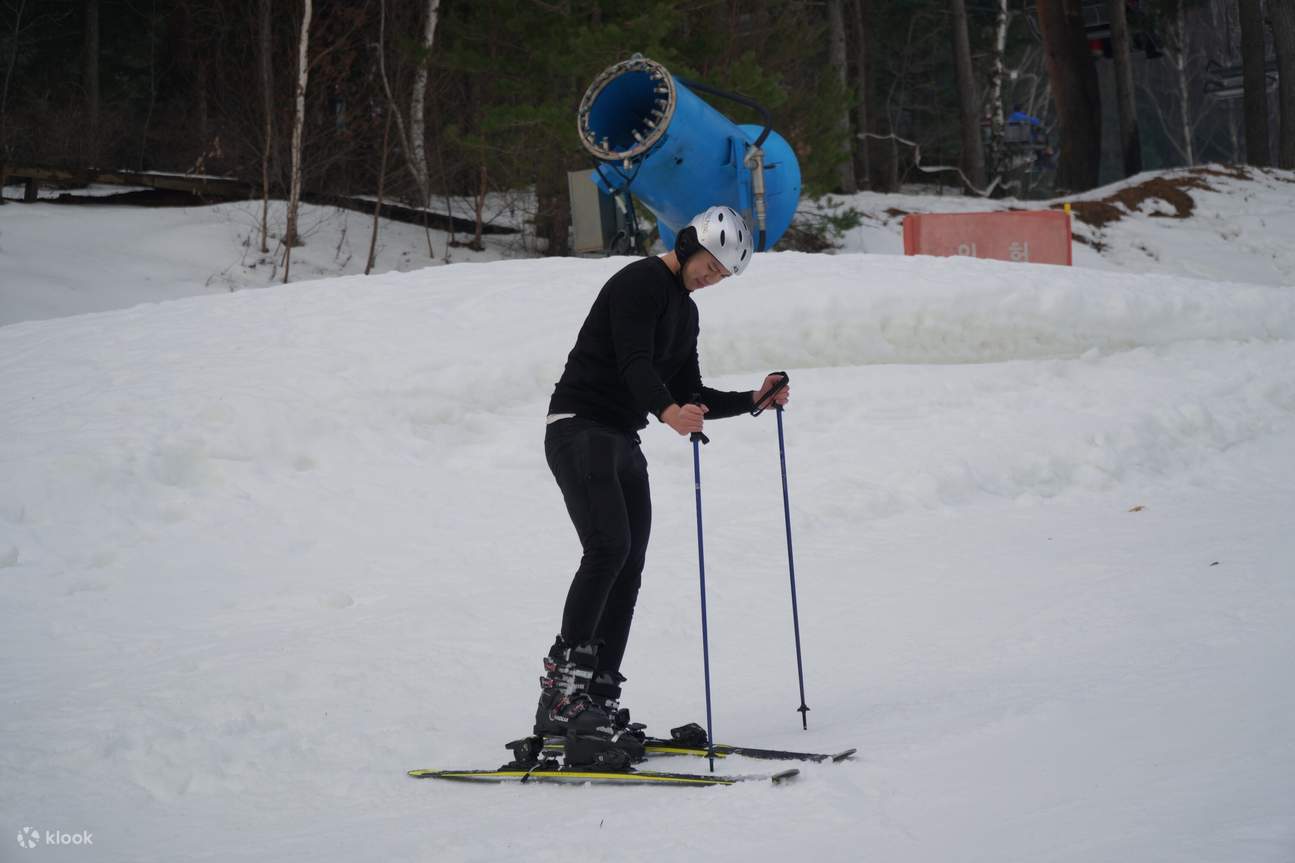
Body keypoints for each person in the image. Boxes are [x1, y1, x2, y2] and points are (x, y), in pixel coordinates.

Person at [532, 205, 791, 767]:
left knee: (628, 563)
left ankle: (598, 694)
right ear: (690, 242)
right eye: (710, 266)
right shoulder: (640, 282)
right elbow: (634, 364)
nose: (711, 278)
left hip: (621, 437)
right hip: (579, 427)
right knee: (607, 548)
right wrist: (667, 411)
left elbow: (690, 391)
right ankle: (562, 696)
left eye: (722, 276)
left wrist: (753, 399)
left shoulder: (685, 313)